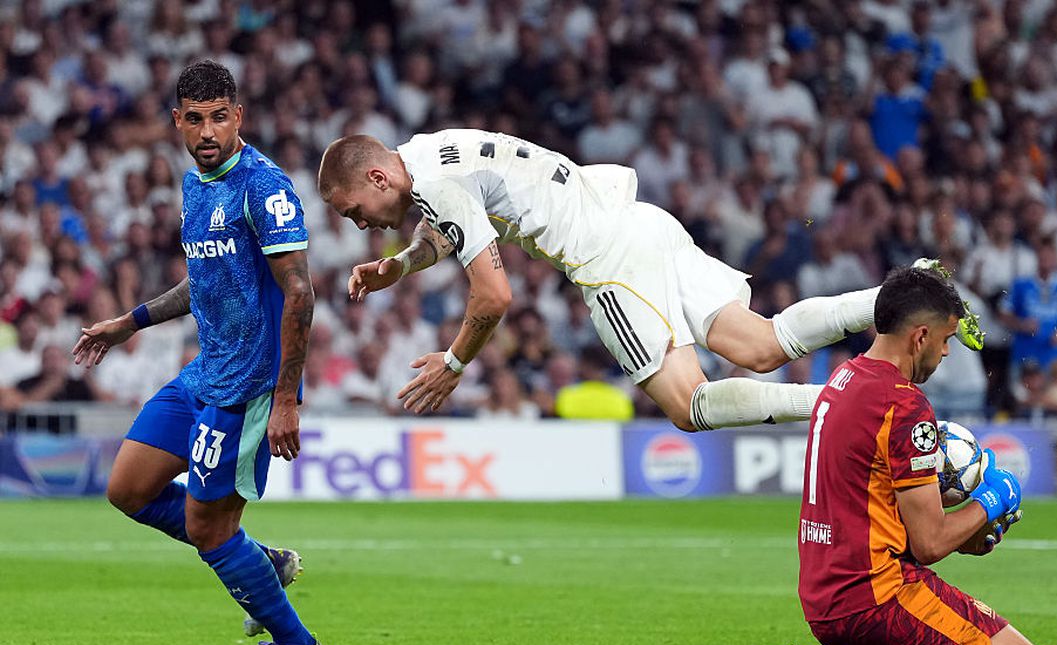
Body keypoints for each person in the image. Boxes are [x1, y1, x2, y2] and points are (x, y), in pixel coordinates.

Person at [315, 131, 983, 433]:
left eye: (354, 211)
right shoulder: (426, 154)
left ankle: (833, 405)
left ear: (377, 177)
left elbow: (495, 296)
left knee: (689, 407)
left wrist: (455, 363)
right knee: (760, 344)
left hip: (609, 261)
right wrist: (400, 265)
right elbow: (455, 224)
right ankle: (908, 286)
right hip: (640, 221)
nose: (360, 224)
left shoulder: (436, 182)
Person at [703, 268, 1057, 645]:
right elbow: (929, 543)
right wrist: (994, 499)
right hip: (880, 600)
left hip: (825, 604)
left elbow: (876, 514)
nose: (946, 351)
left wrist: (970, 536)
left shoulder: (842, 380)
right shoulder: (903, 403)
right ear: (920, 336)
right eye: (945, 339)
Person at [71, 61, 324, 645]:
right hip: (203, 372)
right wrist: (130, 321)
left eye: (218, 118)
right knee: (128, 490)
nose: (207, 131)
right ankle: (262, 561)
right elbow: (205, 282)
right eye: (195, 119)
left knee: (208, 529)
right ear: (177, 121)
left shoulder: (263, 187)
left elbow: (299, 292)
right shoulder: (195, 185)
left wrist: (285, 398)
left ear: (238, 117)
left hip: (248, 387)